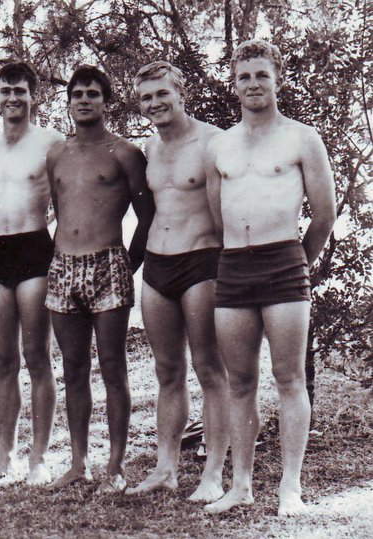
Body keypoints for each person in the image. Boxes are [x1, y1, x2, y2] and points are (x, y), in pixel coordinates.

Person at [203, 39, 335, 517]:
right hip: (235, 267)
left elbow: (324, 213)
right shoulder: (220, 145)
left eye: (262, 74)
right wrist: (241, 252)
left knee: (288, 378)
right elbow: (219, 220)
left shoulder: (303, 138)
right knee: (240, 382)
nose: (253, 84)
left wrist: (298, 260)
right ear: (234, 84)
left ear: (277, 79)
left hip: (285, 266)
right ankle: (240, 485)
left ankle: (290, 488)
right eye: (244, 76)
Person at [45, 66, 155, 494]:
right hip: (63, 266)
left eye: (93, 93)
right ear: (68, 102)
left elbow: (147, 217)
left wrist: (129, 263)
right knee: (73, 369)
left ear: (106, 101)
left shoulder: (125, 153)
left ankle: (116, 466)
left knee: (112, 367)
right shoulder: (57, 153)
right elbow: (61, 209)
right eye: (77, 94)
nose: (84, 100)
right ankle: (78, 463)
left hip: (109, 264)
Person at [124, 61, 230, 502]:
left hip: (202, 261)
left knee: (210, 370)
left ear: (181, 93)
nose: (154, 104)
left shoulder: (213, 142)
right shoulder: (150, 146)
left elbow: (227, 213)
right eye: (146, 98)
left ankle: (213, 474)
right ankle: (164, 469)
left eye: (161, 94)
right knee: (167, 371)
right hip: (158, 267)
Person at [0, 62, 62, 485]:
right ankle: (3, 454)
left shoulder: (51, 142)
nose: (13, 98)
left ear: (34, 96)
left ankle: (38, 458)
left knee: (37, 357)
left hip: (34, 248)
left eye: (21, 91)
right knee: (3, 360)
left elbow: (65, 209)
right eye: (6, 90)